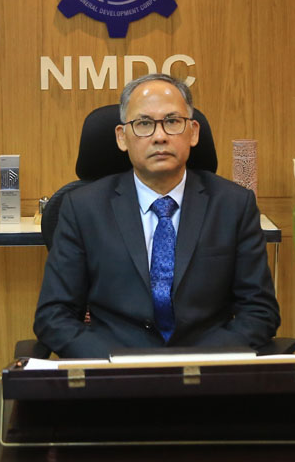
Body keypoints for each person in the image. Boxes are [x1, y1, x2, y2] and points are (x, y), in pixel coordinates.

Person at [33, 73, 280, 358]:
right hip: (114, 370)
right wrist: (117, 364)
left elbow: (260, 311)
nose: (160, 136)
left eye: (172, 121)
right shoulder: (83, 208)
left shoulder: (233, 205)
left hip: (207, 371)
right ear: (122, 137)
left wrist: (201, 362)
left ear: (193, 132)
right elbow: (54, 315)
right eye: (144, 124)